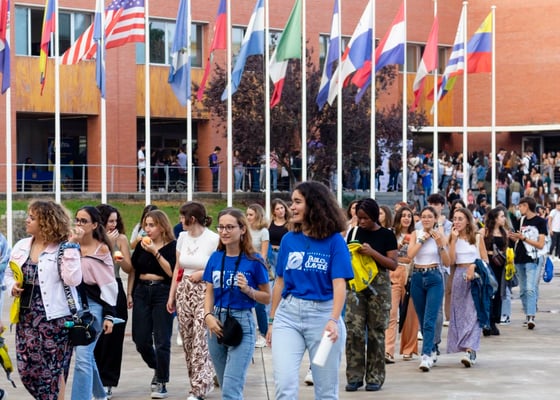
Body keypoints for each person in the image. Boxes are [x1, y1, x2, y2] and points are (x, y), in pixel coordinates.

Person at [268, 181, 353, 399]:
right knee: (284, 384)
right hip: (288, 316)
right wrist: (271, 320)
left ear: (314, 204)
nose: (291, 207)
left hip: (323, 318)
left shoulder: (335, 241)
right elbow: (280, 282)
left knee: (325, 391)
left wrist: (334, 320)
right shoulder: (288, 239)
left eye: (297, 202)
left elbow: (339, 284)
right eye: (291, 202)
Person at [5, 200, 82, 399]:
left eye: (32, 218)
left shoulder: (64, 247)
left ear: (46, 222)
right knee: (27, 370)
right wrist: (12, 286)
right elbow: (8, 273)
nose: (27, 220)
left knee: (54, 370)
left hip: (56, 318)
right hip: (26, 316)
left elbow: (73, 279)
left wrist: (71, 248)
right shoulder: (22, 245)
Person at [203, 208, 270, 399]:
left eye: (230, 227)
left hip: (242, 321)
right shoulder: (216, 257)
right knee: (225, 385)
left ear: (242, 229)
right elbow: (209, 292)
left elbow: (267, 297)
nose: (224, 232)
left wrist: (249, 290)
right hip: (216, 322)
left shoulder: (254, 260)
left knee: (231, 389)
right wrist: (207, 315)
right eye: (221, 227)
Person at [167, 202, 219, 400]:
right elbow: (177, 268)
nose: (180, 221)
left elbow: (218, 266)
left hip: (205, 290)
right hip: (184, 290)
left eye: (183, 217)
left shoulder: (213, 239)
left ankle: (199, 389)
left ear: (193, 218)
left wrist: (203, 273)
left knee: (200, 339)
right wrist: (172, 295)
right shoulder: (182, 237)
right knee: (188, 339)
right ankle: (199, 378)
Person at [344, 199, 397, 392]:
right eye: (359, 218)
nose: (361, 221)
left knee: (376, 332)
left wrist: (372, 252)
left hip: (379, 287)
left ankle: (375, 377)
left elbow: (393, 264)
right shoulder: (353, 232)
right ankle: (354, 376)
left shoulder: (387, 235)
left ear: (374, 217)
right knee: (354, 330)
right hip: (356, 286)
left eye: (365, 218)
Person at [71, 206, 118, 400]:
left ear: (94, 225)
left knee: (82, 357)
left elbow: (109, 286)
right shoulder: (69, 246)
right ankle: (100, 395)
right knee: (86, 356)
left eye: (84, 221)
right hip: (71, 306)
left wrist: (109, 315)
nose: (79, 224)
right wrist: (70, 245)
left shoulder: (102, 250)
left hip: (94, 307)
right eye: (77, 220)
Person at [130, 209, 177, 398]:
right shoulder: (142, 245)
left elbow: (172, 272)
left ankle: (161, 381)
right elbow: (133, 269)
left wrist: (155, 252)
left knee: (162, 339)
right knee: (140, 339)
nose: (147, 229)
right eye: (145, 225)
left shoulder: (172, 246)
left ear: (162, 227)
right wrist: (129, 293)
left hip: (162, 291)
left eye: (152, 225)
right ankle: (158, 366)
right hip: (141, 291)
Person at [95, 204, 134, 399]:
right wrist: (107, 246)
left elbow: (128, 268)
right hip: (95, 288)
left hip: (114, 285)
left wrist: (118, 256)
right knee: (97, 336)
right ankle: (95, 380)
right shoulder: (91, 239)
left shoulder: (122, 239)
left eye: (115, 221)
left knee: (114, 337)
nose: (113, 225)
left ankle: (108, 381)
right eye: (110, 221)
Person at [408, 206, 451, 372]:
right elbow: (410, 255)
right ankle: (431, 348)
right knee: (421, 317)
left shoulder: (439, 235)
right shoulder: (415, 234)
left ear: (435, 219)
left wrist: (440, 245)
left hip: (434, 276)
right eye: (423, 216)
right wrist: (421, 241)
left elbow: (447, 262)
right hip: (418, 276)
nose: (426, 219)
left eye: (429, 217)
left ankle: (425, 355)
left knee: (429, 318)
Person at [447, 208, 488, 367]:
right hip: (459, 276)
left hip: (475, 277)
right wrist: (453, 240)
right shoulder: (453, 237)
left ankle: (471, 350)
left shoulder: (477, 237)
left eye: (460, 219)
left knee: (474, 313)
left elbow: (485, 259)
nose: (457, 222)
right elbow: (451, 261)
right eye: (455, 219)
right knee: (460, 314)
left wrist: (473, 266)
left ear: (467, 221)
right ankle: (466, 347)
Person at [508, 196, 547, 329]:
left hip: (533, 258)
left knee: (530, 288)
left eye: (521, 206)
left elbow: (540, 244)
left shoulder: (540, 222)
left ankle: (531, 316)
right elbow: (520, 240)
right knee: (523, 290)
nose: (519, 208)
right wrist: (514, 237)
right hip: (519, 258)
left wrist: (523, 238)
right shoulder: (521, 220)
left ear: (527, 206)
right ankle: (527, 314)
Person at [385, 206, 419, 363]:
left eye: (409, 216)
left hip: (411, 272)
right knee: (392, 312)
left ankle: (408, 349)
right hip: (394, 271)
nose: (406, 218)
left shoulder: (416, 234)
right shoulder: (391, 234)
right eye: (403, 215)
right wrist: (399, 245)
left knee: (411, 313)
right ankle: (388, 350)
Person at [479, 206, 509, 336]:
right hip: (488, 263)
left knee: (498, 293)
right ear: (495, 218)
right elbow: (478, 247)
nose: (504, 219)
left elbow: (506, 248)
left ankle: (493, 321)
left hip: (500, 265)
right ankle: (486, 321)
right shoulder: (484, 231)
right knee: (487, 292)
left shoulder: (504, 232)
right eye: (501, 216)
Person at [246, 204, 270, 348]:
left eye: (251, 214)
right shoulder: (245, 229)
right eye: (247, 214)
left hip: (257, 267)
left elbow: (263, 254)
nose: (248, 217)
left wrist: (255, 266)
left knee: (260, 304)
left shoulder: (263, 231)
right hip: (245, 266)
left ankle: (263, 333)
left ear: (258, 215)